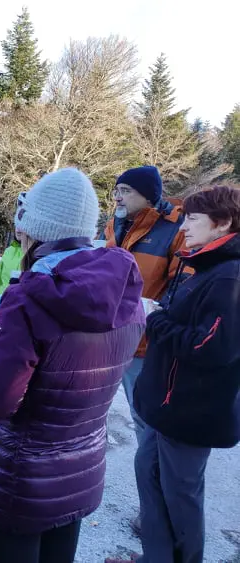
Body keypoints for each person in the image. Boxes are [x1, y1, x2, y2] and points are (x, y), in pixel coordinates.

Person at [0, 168, 145, 563]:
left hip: (20, 484)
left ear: (35, 230)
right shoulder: (125, 294)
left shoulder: (27, 301)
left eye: (23, 228)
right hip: (78, 476)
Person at [108, 186, 240, 563]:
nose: (184, 226)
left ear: (223, 224)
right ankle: (156, 556)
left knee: (180, 493)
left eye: (194, 219)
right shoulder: (205, 266)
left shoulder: (230, 277)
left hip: (191, 413)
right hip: (168, 406)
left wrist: (156, 319)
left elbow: (213, 348)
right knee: (148, 474)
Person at [103, 165, 186, 445]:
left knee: (146, 417)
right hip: (113, 336)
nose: (117, 198)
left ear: (149, 197)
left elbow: (183, 288)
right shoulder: (116, 224)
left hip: (147, 344)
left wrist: (152, 314)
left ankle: (157, 478)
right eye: (116, 191)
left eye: (125, 191)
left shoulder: (176, 228)